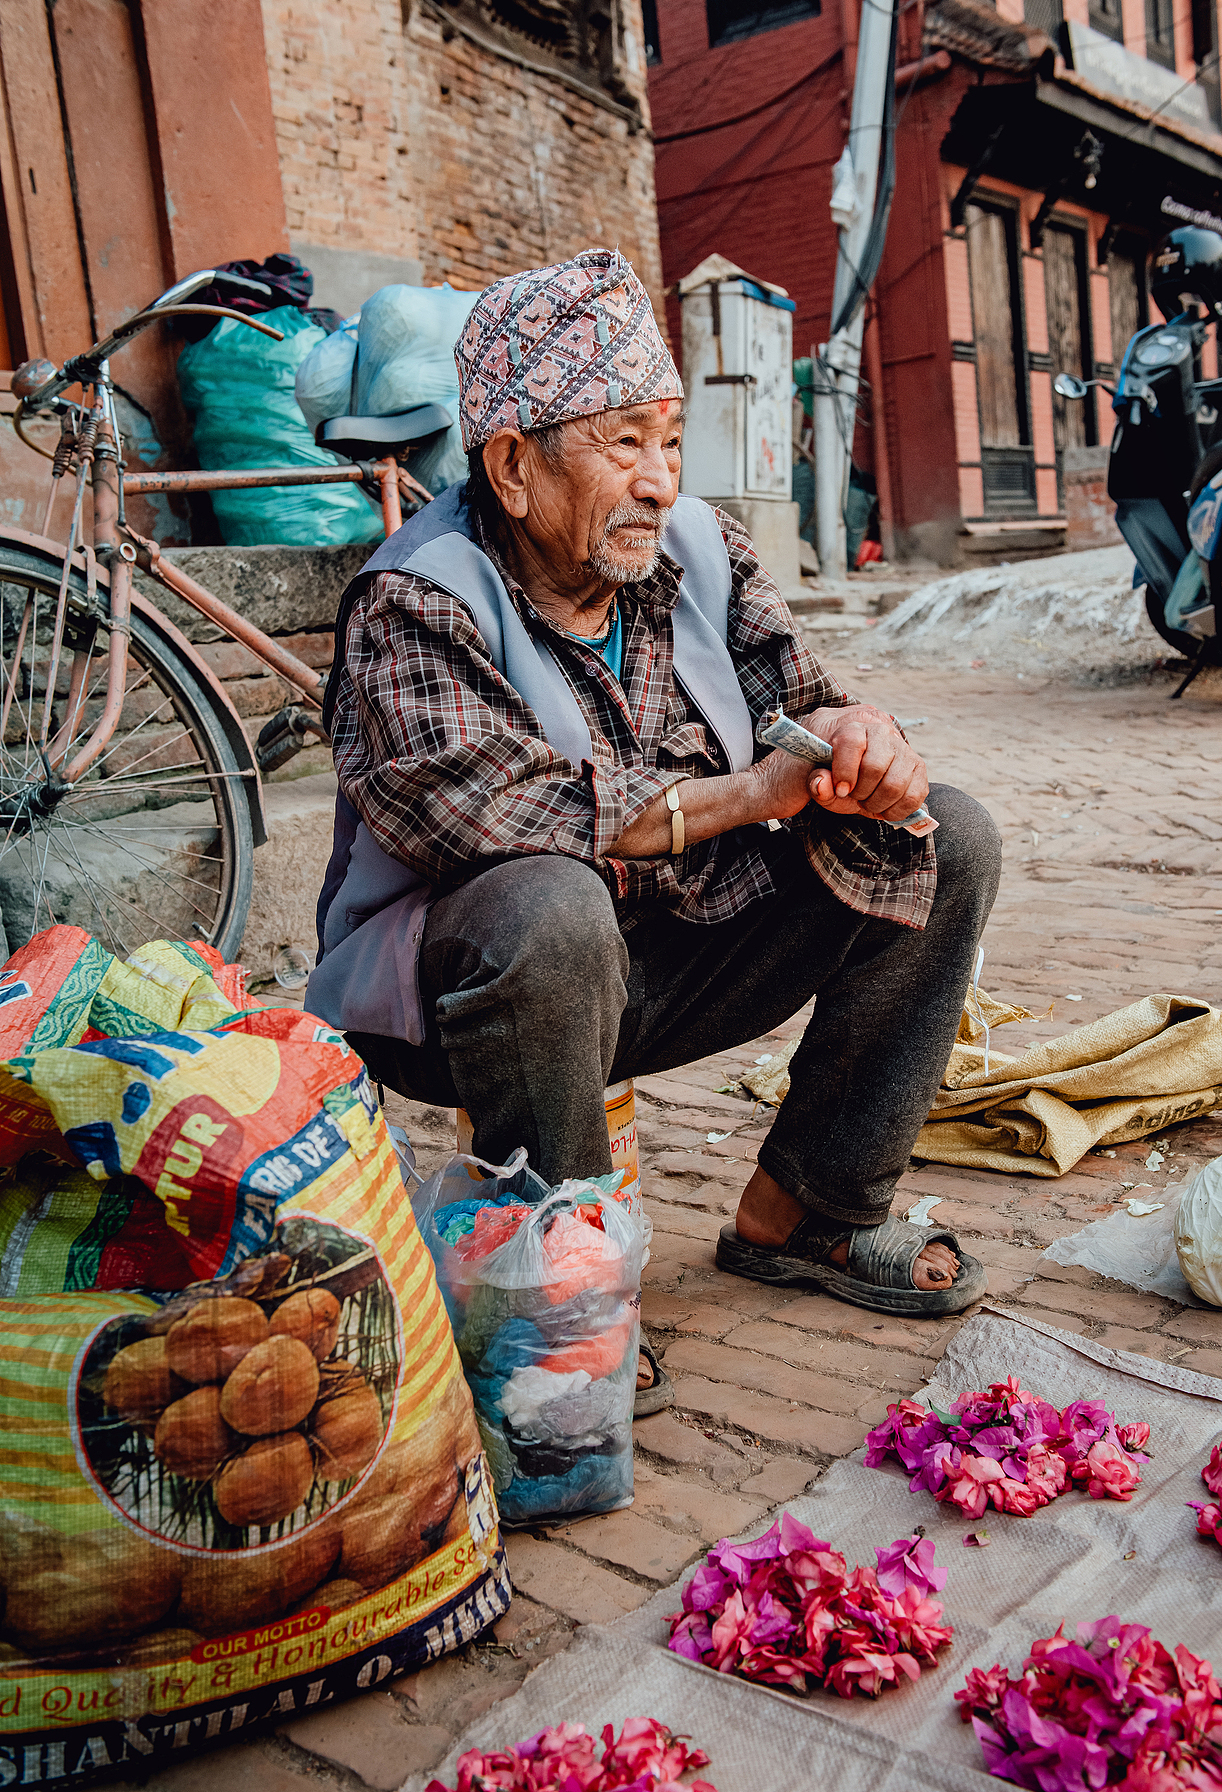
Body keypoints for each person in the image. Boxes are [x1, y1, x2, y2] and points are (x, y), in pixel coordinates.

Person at [306, 249, 1001, 1415]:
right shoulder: (414, 600)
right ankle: (566, 1302)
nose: (659, 481)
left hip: (667, 949)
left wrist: (859, 739)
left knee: (947, 837)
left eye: (669, 440)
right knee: (547, 903)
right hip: (474, 996)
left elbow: (802, 695)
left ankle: (808, 1215)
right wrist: (752, 794)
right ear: (514, 465)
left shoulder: (699, 553)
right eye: (622, 442)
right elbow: (520, 815)